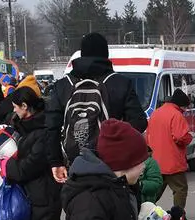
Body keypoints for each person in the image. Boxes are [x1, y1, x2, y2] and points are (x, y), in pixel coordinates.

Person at [46, 33, 147, 187]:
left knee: (77, 200)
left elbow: (51, 127)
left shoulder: (63, 85)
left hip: (76, 165)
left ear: (82, 54)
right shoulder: (120, 83)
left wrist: (56, 162)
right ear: (106, 54)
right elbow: (139, 122)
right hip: (112, 166)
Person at [62, 119, 145, 220]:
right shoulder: (90, 197)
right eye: (141, 162)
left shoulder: (119, 185)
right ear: (125, 163)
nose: (144, 167)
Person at [6, 86, 61, 220]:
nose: (13, 110)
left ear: (24, 106)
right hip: (32, 191)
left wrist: (8, 163)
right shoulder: (26, 127)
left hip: (44, 192)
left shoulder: (43, 131)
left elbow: (28, 166)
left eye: (15, 107)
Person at [148, 89, 193, 215]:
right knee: (180, 189)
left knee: (155, 191)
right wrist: (189, 137)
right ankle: (178, 217)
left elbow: (149, 136)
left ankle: (144, 213)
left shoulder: (156, 113)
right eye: (185, 107)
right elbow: (180, 137)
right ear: (181, 105)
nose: (185, 110)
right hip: (173, 161)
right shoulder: (176, 115)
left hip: (156, 159)